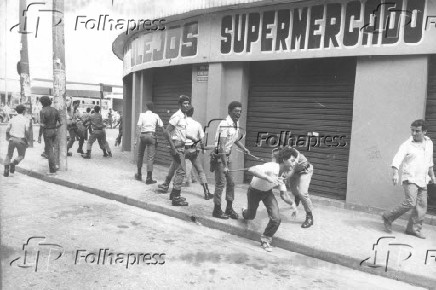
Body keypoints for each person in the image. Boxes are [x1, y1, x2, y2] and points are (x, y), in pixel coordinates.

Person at [382, 119, 435, 239]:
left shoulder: (429, 143)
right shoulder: (407, 144)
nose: (414, 133)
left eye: (417, 131)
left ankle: (413, 229)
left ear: (425, 132)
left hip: (423, 179)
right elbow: (397, 158)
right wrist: (395, 173)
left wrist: (432, 176)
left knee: (422, 206)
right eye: (412, 130)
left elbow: (429, 162)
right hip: (410, 178)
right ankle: (388, 216)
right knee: (411, 202)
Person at [158, 107, 214, 200]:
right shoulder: (197, 124)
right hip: (193, 150)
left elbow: (172, 135)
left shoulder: (180, 122)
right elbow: (202, 140)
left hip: (182, 150)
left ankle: (166, 185)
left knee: (174, 167)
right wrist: (202, 147)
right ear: (193, 113)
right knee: (200, 170)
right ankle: (206, 191)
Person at [211, 101, 250, 219]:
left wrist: (244, 148)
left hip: (228, 156)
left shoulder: (235, 123)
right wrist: (225, 164)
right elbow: (221, 146)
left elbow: (234, 139)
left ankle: (229, 208)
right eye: (236, 111)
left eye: (240, 111)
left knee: (231, 183)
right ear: (229, 111)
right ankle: (217, 210)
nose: (238, 114)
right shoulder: (224, 124)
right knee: (220, 184)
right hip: (220, 156)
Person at [163, 95, 192, 206]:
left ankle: (173, 194)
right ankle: (176, 198)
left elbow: (180, 132)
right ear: (180, 105)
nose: (187, 105)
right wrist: (173, 147)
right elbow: (166, 132)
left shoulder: (184, 116)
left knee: (177, 168)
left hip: (181, 146)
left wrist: (192, 138)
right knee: (181, 171)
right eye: (184, 103)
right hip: (177, 147)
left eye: (188, 103)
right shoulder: (177, 116)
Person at [280, 147, 315, 228]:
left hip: (305, 171)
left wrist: (284, 178)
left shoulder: (295, 154)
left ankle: (309, 216)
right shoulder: (281, 154)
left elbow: (291, 171)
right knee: (293, 189)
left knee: (303, 193)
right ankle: (297, 197)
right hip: (295, 172)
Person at [135, 102, 163, 184]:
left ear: (146, 107)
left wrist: (136, 139)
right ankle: (149, 178)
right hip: (151, 136)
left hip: (143, 136)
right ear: (153, 108)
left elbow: (138, 127)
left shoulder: (142, 115)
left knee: (140, 155)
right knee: (150, 158)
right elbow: (161, 125)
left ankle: (139, 174)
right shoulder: (156, 115)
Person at [3, 105, 30, 177]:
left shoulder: (12, 119)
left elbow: (7, 129)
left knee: (9, 155)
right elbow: (27, 131)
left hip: (12, 139)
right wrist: (28, 140)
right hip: (21, 140)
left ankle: (6, 169)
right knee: (21, 155)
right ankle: (13, 163)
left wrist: (7, 137)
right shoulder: (26, 120)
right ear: (24, 111)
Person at [38, 96, 61, 174]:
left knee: (50, 150)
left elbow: (42, 125)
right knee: (56, 148)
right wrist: (55, 127)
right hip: (54, 130)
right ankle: (57, 165)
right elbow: (61, 122)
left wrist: (39, 135)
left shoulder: (42, 111)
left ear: (43, 102)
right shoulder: (55, 110)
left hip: (47, 131)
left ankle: (52, 169)